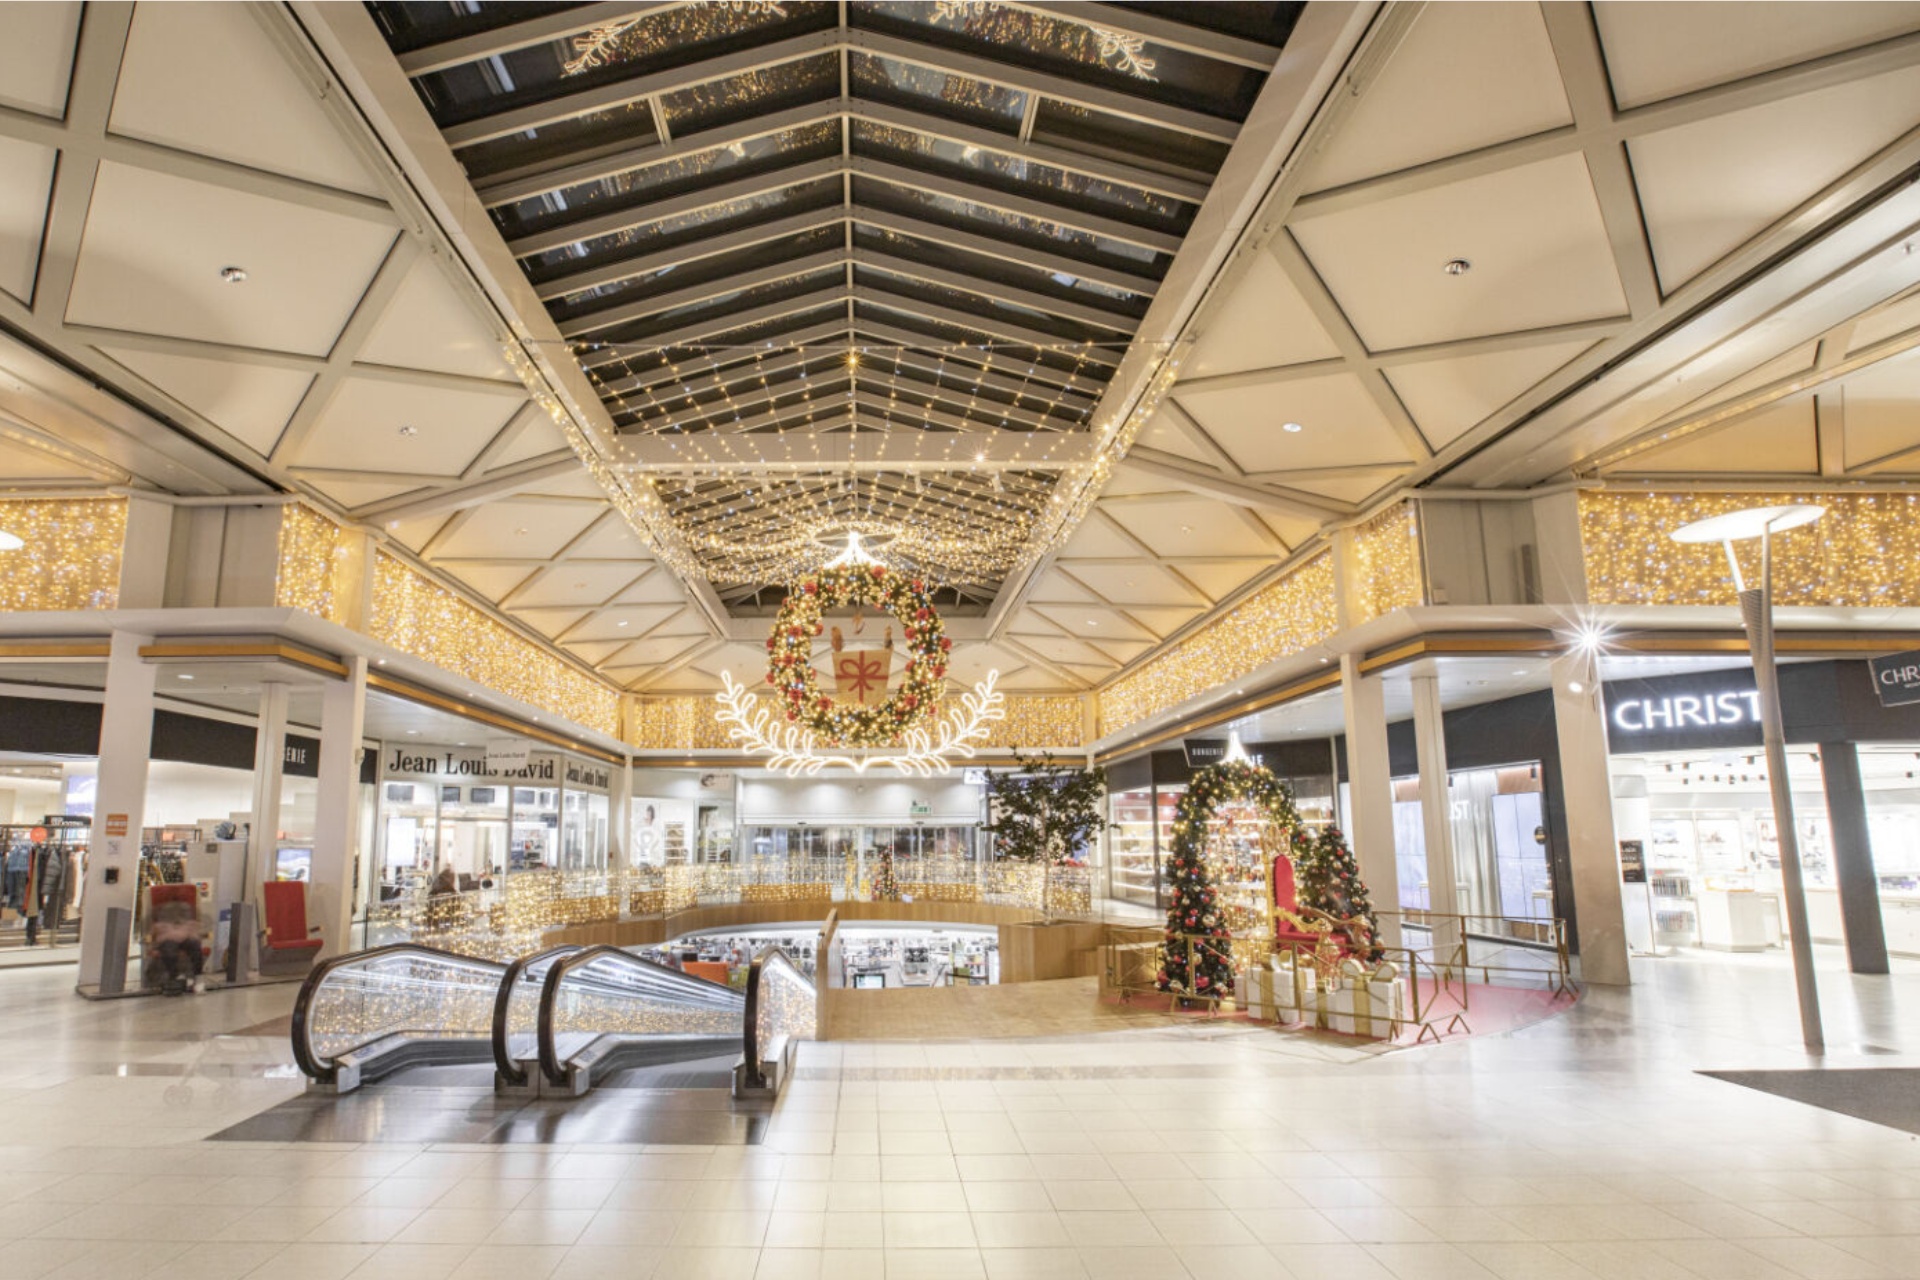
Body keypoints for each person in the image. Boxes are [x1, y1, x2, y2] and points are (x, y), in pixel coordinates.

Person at [147, 900, 205, 995]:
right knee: (169, 948)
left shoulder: (189, 922)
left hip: (185, 938)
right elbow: (155, 933)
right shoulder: (161, 923)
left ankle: (198, 975)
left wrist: (191, 933)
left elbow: (195, 932)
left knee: (195, 946)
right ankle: (176, 975)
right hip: (168, 940)